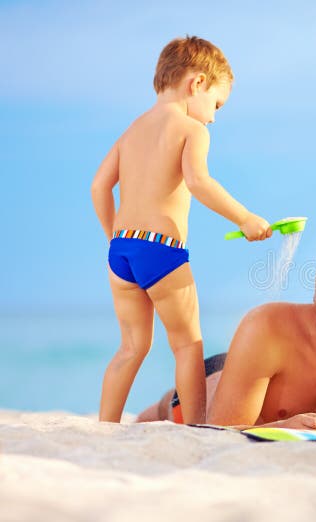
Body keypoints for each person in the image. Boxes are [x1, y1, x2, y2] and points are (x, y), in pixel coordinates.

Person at [91, 36, 271, 424]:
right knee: (188, 345)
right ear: (198, 83)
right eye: (216, 104)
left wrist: (112, 236)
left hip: (121, 252)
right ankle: (195, 427)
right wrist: (245, 218)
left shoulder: (131, 130)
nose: (213, 117)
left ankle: (105, 427)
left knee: (131, 347)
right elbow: (199, 181)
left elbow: (99, 186)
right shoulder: (191, 130)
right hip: (161, 250)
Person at [137, 219, 316, 431]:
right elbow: (218, 433)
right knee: (157, 414)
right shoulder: (267, 324)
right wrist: (283, 428)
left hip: (253, 369)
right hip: (208, 392)